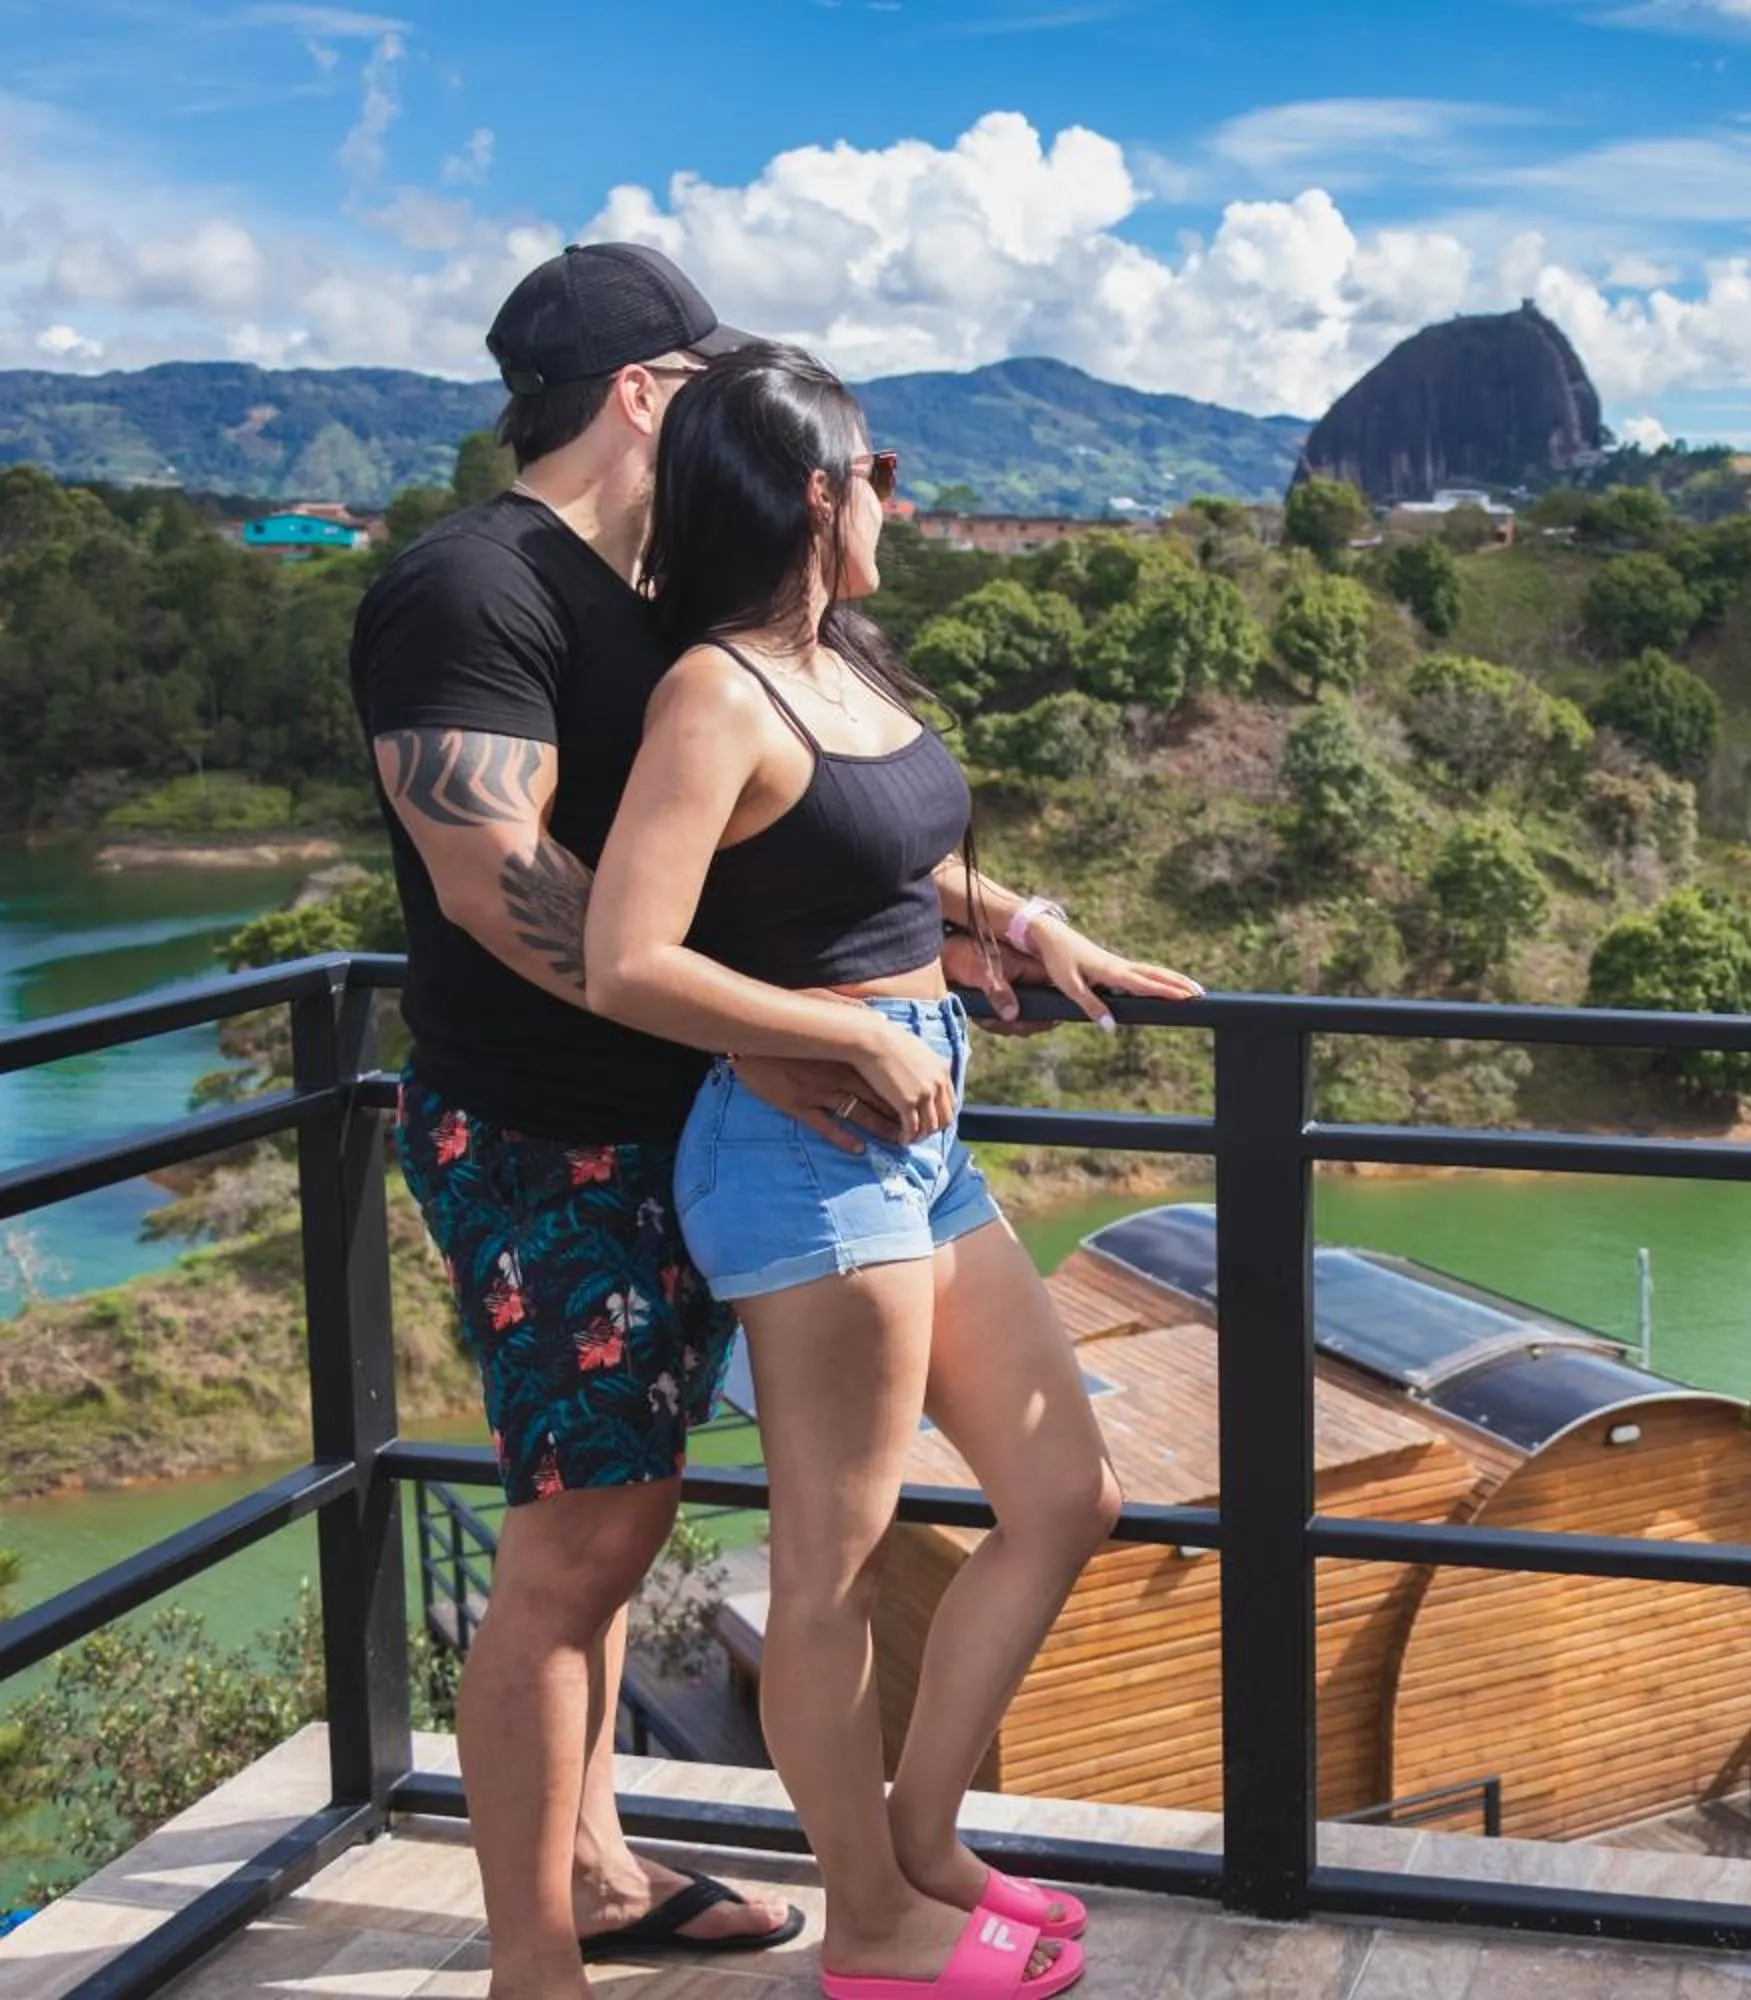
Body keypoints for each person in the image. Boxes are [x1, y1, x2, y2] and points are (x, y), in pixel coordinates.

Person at [351, 245, 1060, 2000]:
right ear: (641, 395)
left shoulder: (667, 598)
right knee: (583, 1539)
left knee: (628, 1524)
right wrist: (787, 1027)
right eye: (705, 382)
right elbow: (502, 879)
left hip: (704, 1110)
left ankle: (599, 1874)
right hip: (546, 1133)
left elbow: (793, 830)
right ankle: (536, 1961)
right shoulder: (471, 586)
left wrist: (996, 923)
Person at [580, 340, 1198, 2000]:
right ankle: (868, 1924)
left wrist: (1033, 924)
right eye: (880, 473)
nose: (896, 501)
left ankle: (923, 1843)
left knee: (1065, 1495)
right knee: (831, 1573)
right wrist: (840, 1031)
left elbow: (882, 850)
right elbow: (627, 953)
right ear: (812, 493)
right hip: (806, 1149)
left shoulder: (837, 659)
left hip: (916, 1141)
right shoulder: (715, 691)